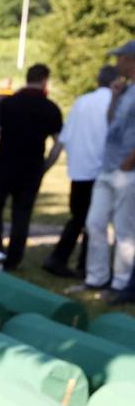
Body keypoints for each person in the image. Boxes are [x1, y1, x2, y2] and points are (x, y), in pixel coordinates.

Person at [0, 64, 64, 270]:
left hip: (4, 164)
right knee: (22, 213)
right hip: (32, 168)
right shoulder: (51, 108)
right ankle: (14, 258)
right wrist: (46, 165)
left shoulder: (9, 104)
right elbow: (59, 143)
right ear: (45, 80)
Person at [45, 66, 118, 278]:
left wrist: (52, 162)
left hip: (80, 170)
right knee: (96, 221)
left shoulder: (82, 102)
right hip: (102, 169)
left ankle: (62, 257)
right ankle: (85, 263)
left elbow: (65, 137)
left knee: (79, 218)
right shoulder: (115, 104)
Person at [85, 41, 135, 303]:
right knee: (95, 222)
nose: (117, 65)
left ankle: (121, 283)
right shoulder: (126, 91)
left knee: (125, 230)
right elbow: (111, 122)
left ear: (130, 60)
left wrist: (129, 161)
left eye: (120, 59)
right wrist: (115, 96)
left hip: (126, 169)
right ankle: (96, 276)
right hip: (108, 165)